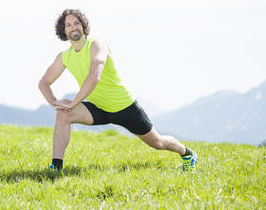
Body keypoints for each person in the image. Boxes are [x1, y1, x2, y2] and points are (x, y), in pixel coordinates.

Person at [38, 9, 197, 171]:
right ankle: (56, 168)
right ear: (63, 30)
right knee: (63, 114)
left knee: (158, 143)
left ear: (83, 25)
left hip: (124, 107)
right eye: (68, 25)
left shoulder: (97, 44)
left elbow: (94, 76)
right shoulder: (65, 57)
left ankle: (187, 153)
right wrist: (55, 103)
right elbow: (44, 83)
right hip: (98, 108)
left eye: (77, 23)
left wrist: (73, 103)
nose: (73, 27)